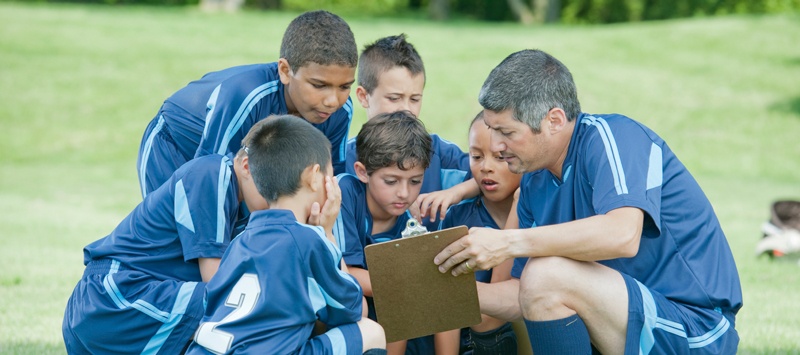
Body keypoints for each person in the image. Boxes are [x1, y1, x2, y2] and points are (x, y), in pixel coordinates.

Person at [434, 49, 742, 354]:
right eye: (492, 131)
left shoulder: (616, 138)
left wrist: (507, 242)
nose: (497, 146)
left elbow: (622, 235)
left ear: (554, 120)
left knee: (545, 272)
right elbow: (526, 295)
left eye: (506, 132)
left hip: (695, 331)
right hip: (626, 323)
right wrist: (443, 293)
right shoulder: (532, 180)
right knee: (539, 277)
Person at [62, 118, 273, 354]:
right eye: (276, 189)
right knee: (242, 301)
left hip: (134, 304)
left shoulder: (250, 212)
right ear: (245, 165)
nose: (281, 203)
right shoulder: (214, 173)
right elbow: (217, 286)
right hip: (114, 298)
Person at [186, 115, 386, 355]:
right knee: (371, 331)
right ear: (314, 177)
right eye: (330, 174)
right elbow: (355, 308)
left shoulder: (240, 240)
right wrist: (328, 234)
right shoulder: (309, 240)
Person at [137, 10, 357, 197]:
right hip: (175, 146)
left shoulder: (340, 111)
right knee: (175, 235)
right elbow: (210, 176)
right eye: (319, 85)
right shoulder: (246, 96)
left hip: (235, 167)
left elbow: (329, 178)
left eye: (345, 87)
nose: (332, 101)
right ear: (285, 71)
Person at [334, 111, 440, 354]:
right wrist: (405, 284)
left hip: (390, 319)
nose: (404, 193)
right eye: (391, 181)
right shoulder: (345, 194)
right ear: (362, 172)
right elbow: (345, 273)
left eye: (415, 181)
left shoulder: (411, 225)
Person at [345, 34, 477, 228]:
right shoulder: (344, 160)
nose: (406, 110)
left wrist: (457, 192)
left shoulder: (438, 152)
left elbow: (498, 175)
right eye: (394, 98)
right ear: (363, 96)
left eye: (414, 99)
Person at [438, 111, 522, 354]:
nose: (486, 167)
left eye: (500, 157)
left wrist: (518, 204)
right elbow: (454, 310)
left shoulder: (539, 210)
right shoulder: (460, 219)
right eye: (476, 156)